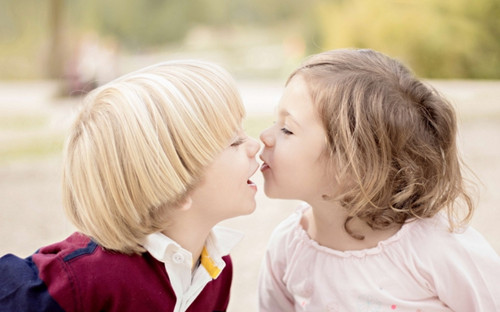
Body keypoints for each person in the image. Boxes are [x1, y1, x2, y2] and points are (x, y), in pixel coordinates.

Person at [0, 60, 260, 312]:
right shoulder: (84, 278)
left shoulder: (216, 269)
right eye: (235, 141)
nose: (255, 145)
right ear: (177, 185)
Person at [258, 48, 500, 311]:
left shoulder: (438, 249)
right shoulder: (287, 247)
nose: (264, 136)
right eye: (274, 121)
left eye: (287, 129)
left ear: (353, 165)